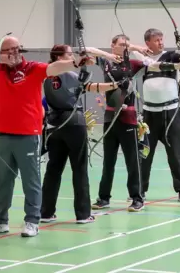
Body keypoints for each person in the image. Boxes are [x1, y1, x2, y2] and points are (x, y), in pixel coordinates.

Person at [0, 35, 89, 237]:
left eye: (17, 49)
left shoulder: (33, 68)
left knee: (30, 181)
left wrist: (76, 62)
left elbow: (54, 68)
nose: (14, 53)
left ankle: (32, 220)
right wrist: (2, 58)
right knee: (4, 180)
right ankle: (0, 221)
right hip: (4, 134)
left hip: (28, 134)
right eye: (9, 50)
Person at [91, 34, 180, 211]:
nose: (126, 48)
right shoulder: (105, 63)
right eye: (122, 45)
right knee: (108, 162)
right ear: (112, 45)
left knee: (133, 161)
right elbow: (86, 51)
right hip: (110, 119)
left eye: (128, 45)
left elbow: (153, 65)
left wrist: (136, 50)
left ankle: (137, 198)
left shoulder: (133, 64)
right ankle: (103, 198)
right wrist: (108, 56)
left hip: (128, 120)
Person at [40, 44, 123, 223]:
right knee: (79, 167)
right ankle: (83, 214)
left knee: (53, 169)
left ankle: (45, 212)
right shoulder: (69, 73)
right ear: (59, 57)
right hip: (73, 122)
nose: (73, 56)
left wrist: (114, 85)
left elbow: (87, 86)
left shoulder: (46, 74)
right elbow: (88, 84)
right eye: (69, 54)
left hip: (54, 125)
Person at [130, 28, 180, 203]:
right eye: (156, 40)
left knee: (176, 153)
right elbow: (127, 50)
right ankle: (140, 190)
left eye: (162, 39)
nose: (161, 42)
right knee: (145, 153)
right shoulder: (143, 61)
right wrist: (138, 49)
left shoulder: (170, 57)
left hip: (170, 113)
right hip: (150, 114)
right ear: (147, 43)